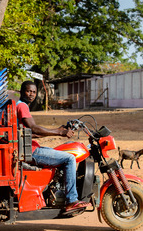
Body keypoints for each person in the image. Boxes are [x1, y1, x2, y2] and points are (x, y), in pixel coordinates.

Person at [17, 81, 90, 212]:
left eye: (33, 92)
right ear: (21, 92)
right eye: (28, 91)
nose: (31, 94)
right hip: (31, 151)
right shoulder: (22, 106)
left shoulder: (20, 106)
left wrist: (57, 129)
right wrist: (60, 132)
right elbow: (34, 128)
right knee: (69, 158)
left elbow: (30, 133)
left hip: (28, 147)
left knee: (57, 152)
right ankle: (71, 200)